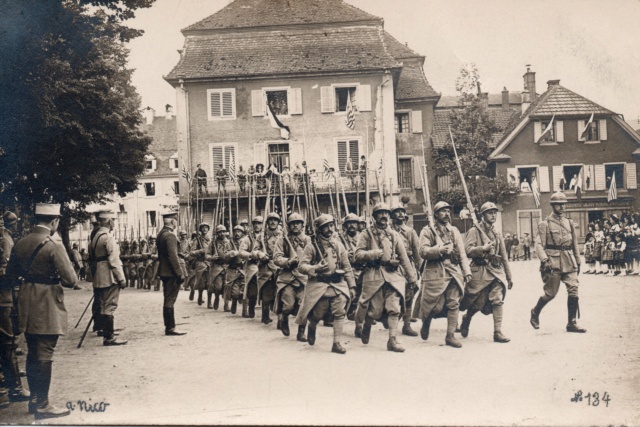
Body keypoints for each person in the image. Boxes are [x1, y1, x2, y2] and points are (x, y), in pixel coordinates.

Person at [5, 203, 78, 419]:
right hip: (46, 302)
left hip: (26, 300)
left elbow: (10, 276)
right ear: (54, 222)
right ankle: (43, 404)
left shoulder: (20, 243)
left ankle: (35, 401)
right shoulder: (53, 244)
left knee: (33, 349)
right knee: (45, 351)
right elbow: (70, 280)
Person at [354, 203, 418, 352]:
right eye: (380, 213)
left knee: (394, 308)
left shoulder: (394, 235)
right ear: (375, 216)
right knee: (374, 311)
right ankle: (367, 323)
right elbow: (357, 255)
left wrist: (412, 278)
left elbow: (404, 257)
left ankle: (392, 340)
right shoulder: (366, 234)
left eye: (386, 213)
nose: (384, 216)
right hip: (374, 274)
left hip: (393, 275)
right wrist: (373, 253)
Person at [413, 201, 471, 348]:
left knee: (454, 303)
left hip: (453, 271)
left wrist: (466, 271)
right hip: (435, 272)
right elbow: (422, 251)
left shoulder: (454, 231)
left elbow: (462, 253)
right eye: (443, 211)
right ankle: (426, 323)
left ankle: (450, 336)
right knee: (435, 307)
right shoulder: (428, 231)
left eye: (448, 211)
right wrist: (439, 250)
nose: (446, 214)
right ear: (436, 214)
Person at [296, 214, 356, 354]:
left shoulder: (339, 245)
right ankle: (312, 325)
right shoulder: (311, 247)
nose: (329, 229)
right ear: (319, 229)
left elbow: (347, 267)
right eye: (325, 227)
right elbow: (301, 266)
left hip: (337, 284)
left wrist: (352, 286)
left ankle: (336, 343)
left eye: (331, 226)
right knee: (319, 312)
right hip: (319, 284)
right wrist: (314, 268)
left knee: (339, 312)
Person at [530, 192, 586, 333]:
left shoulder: (569, 223)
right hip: (553, 262)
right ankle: (535, 312)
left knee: (574, 288)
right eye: (558, 204)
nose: (562, 206)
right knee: (551, 294)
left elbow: (574, 243)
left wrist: (578, 261)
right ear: (552, 206)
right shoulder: (545, 224)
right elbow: (538, 245)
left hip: (569, 260)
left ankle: (571, 323)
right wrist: (544, 260)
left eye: (563, 204)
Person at [461, 202, 514, 343]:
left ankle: (497, 332)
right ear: (483, 215)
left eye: (494, 212)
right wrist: (482, 249)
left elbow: (504, 256)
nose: (493, 215)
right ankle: (467, 318)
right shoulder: (474, 230)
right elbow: (467, 250)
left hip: (496, 271)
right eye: (490, 212)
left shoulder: (496, 232)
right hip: (481, 271)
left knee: (498, 299)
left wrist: (509, 276)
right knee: (478, 303)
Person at [0, 211, 30, 406]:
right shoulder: (5, 240)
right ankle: (12, 389)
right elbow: (5, 269)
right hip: (2, 296)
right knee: (7, 340)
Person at [88, 210, 128, 346]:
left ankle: (106, 333)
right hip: (109, 276)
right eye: (114, 221)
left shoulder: (95, 237)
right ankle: (109, 337)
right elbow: (114, 260)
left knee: (104, 305)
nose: (114, 223)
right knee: (110, 305)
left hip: (99, 275)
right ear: (110, 222)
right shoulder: (108, 237)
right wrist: (121, 278)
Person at [273, 213, 311, 341]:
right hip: (287, 277)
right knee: (288, 305)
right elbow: (276, 259)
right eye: (292, 223)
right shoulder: (282, 240)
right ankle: (284, 319)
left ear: (302, 225)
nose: (295, 225)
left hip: (303, 277)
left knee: (304, 306)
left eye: (298, 223)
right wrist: (288, 261)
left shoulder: (308, 240)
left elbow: (314, 256)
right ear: (288, 226)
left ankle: (301, 332)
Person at [390, 204, 421, 337]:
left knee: (409, 294)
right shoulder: (388, 231)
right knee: (393, 294)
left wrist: (419, 268)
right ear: (392, 216)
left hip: (407, 265)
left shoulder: (410, 231)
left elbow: (416, 251)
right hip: (393, 266)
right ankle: (392, 321)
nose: (400, 214)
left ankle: (406, 325)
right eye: (397, 212)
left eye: (402, 212)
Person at [156, 212, 187, 336]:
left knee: (167, 299)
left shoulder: (160, 235)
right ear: (172, 222)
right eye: (175, 221)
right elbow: (173, 256)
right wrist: (180, 273)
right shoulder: (170, 236)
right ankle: (170, 328)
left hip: (164, 270)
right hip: (171, 272)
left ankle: (169, 326)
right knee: (170, 300)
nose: (176, 224)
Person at [256, 213, 282, 325]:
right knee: (266, 293)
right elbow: (255, 250)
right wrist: (260, 254)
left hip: (279, 266)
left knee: (281, 292)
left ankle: (281, 319)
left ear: (278, 222)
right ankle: (265, 316)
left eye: (275, 220)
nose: (272, 222)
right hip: (265, 266)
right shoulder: (261, 236)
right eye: (270, 220)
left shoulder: (282, 235)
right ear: (267, 222)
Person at [238, 216, 264, 318]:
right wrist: (251, 255)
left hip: (266, 266)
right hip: (253, 265)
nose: (257, 225)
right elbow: (241, 252)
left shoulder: (266, 237)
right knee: (252, 290)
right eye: (255, 223)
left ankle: (266, 313)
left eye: (259, 223)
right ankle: (250, 308)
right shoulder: (247, 238)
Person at [206, 225, 231, 310]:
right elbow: (207, 255)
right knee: (218, 287)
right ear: (217, 233)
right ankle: (216, 297)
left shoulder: (229, 242)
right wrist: (212, 257)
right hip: (217, 267)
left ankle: (226, 305)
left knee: (227, 286)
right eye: (220, 232)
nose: (222, 234)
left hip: (228, 267)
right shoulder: (213, 243)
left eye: (223, 231)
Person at [224, 226, 246, 315]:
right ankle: (232, 301)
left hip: (244, 269)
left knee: (246, 289)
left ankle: (245, 311)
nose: (237, 233)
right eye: (235, 231)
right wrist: (232, 253)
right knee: (231, 289)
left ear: (242, 233)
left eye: (239, 231)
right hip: (233, 268)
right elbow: (225, 256)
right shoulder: (229, 244)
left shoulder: (246, 242)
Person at [189, 223, 211, 305]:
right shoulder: (197, 240)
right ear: (200, 229)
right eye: (203, 228)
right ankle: (200, 295)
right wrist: (199, 251)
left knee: (210, 283)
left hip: (209, 263)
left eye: (206, 227)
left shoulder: (211, 240)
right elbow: (191, 252)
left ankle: (209, 301)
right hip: (200, 263)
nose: (204, 229)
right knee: (201, 283)